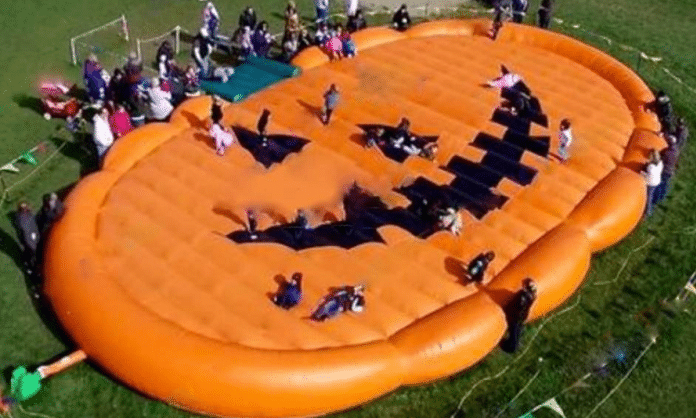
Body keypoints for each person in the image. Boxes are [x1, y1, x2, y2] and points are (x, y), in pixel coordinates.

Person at [501, 278, 537, 353]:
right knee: (518, 330)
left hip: (517, 315)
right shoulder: (532, 295)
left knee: (514, 330)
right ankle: (514, 344)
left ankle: (512, 346)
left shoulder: (523, 296)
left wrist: (507, 307)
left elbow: (517, 304)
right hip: (523, 315)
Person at [14, 202, 41, 276]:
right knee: (31, 256)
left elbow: (33, 226)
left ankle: (28, 262)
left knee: (29, 253)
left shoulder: (26, 215)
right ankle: (31, 267)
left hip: (30, 238)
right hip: (28, 240)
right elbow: (25, 232)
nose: (25, 208)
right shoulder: (22, 218)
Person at [655, 136, 679, 204]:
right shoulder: (676, 151)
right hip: (671, 171)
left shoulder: (667, 153)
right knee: (665, 184)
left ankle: (657, 198)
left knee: (660, 184)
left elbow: (662, 160)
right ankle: (662, 197)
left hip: (665, 171)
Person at [641, 149, 663, 217]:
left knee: (648, 197)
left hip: (651, 183)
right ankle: (655, 203)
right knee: (652, 194)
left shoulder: (651, 167)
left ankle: (648, 212)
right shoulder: (660, 163)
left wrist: (642, 173)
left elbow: (648, 176)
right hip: (657, 181)